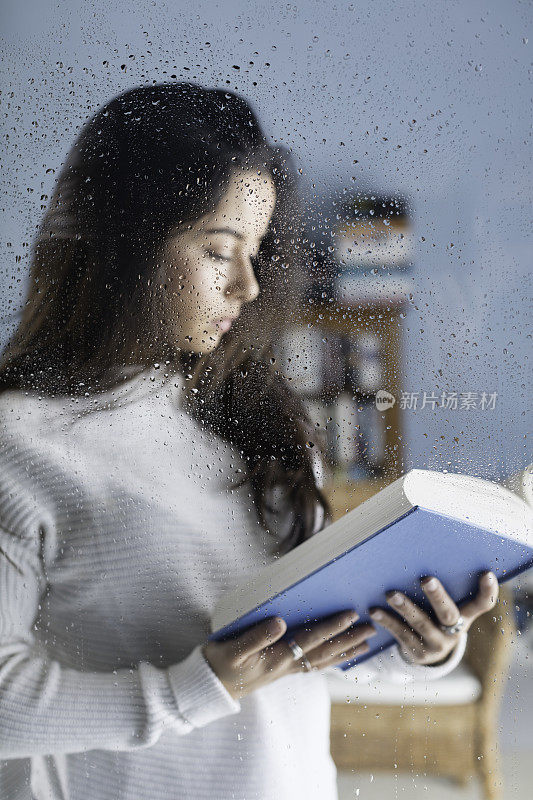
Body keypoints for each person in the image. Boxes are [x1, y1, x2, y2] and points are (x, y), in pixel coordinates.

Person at [0, 83, 499, 800]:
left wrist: (421, 642)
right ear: (122, 244)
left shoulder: (261, 416)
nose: (247, 285)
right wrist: (193, 687)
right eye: (217, 250)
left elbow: (311, 649)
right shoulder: (20, 441)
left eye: (257, 252)